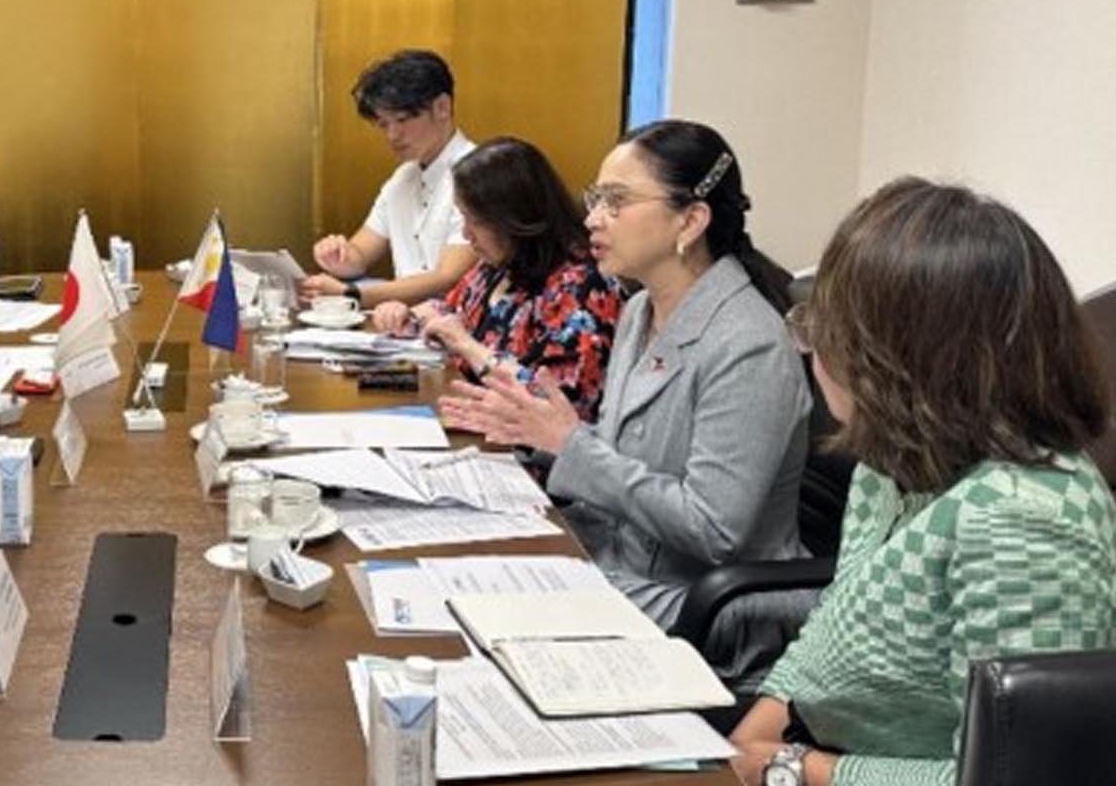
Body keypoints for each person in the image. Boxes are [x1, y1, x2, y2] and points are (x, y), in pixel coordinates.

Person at [729, 179, 1116, 786]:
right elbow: (834, 621)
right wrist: (756, 733)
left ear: (896, 359)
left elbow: (1015, 775)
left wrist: (798, 768)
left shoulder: (1020, 521)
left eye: (824, 327)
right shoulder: (892, 461)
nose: (812, 349)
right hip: (820, 742)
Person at [452, 119, 810, 684]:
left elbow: (714, 529)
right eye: (596, 199)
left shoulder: (749, 344)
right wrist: (538, 434)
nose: (592, 219)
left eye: (616, 202)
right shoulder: (641, 309)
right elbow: (630, 452)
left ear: (690, 220)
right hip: (621, 561)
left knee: (478, 647)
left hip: (699, 606)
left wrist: (572, 445)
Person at [374, 136, 623, 422]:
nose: (466, 234)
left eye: (475, 221)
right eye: (463, 218)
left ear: (514, 217)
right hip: (467, 416)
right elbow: (450, 312)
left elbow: (562, 407)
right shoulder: (496, 266)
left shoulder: (581, 287)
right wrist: (408, 316)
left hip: (522, 443)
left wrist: (467, 346)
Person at [300, 49, 478, 310]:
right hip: (403, 321)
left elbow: (448, 278)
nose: (392, 135)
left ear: (442, 107)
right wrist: (337, 255)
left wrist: (353, 294)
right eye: (383, 124)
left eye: (402, 120)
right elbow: (360, 254)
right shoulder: (403, 177)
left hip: (457, 323)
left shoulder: (479, 174)